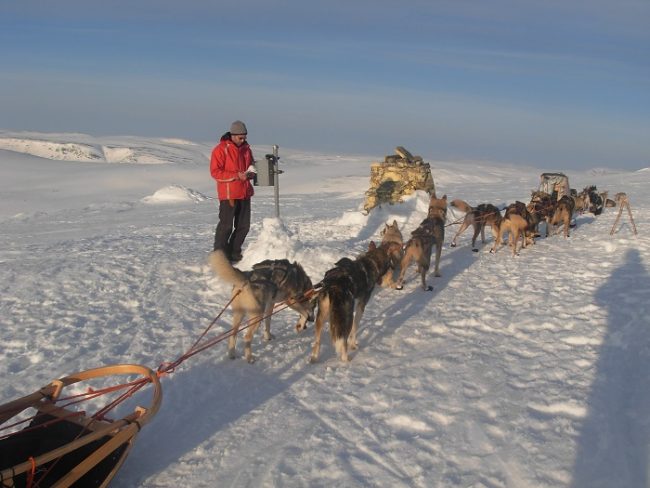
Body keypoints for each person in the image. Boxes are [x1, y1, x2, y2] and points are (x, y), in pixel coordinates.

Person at [210, 120, 256, 262]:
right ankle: (220, 256)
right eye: (240, 137)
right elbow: (215, 172)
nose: (243, 140)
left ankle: (234, 252)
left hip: (245, 193)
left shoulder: (247, 149)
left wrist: (252, 173)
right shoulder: (220, 149)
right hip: (229, 194)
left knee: (244, 226)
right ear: (233, 135)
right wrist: (236, 175)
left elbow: (252, 165)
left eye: (245, 137)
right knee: (226, 226)